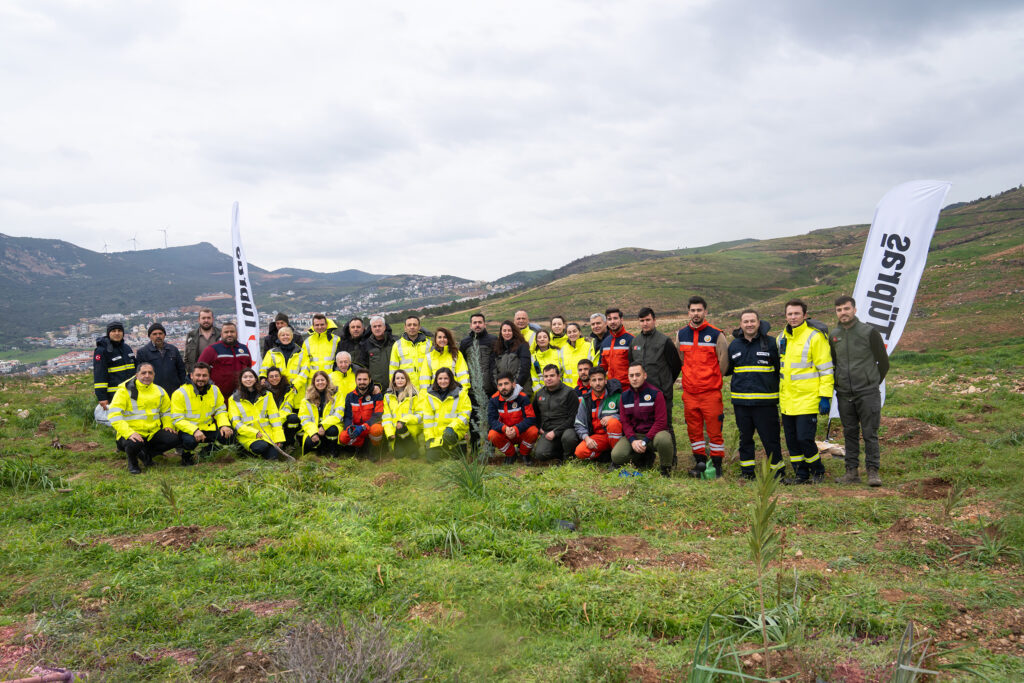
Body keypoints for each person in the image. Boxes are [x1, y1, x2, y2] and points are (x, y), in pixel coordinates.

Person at [830, 295, 890, 487]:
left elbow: (883, 362)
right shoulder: (834, 335)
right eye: (839, 310)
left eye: (846, 309)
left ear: (854, 310)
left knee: (870, 432)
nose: (843, 313)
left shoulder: (869, 332)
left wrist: (871, 382)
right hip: (844, 393)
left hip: (867, 392)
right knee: (849, 432)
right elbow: (833, 362)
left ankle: (873, 472)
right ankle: (851, 472)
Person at [778, 299, 834, 484]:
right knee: (792, 442)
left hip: (808, 400)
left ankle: (818, 471)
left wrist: (825, 397)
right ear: (785, 316)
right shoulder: (781, 338)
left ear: (804, 315)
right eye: (790, 314)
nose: (793, 317)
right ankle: (801, 475)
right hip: (787, 401)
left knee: (804, 439)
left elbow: (826, 370)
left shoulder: (815, 337)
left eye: (796, 313)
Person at [725, 310, 783, 480]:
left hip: (765, 404)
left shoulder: (771, 344)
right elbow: (727, 370)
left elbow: (780, 370)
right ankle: (747, 473)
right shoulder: (734, 345)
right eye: (745, 321)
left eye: (752, 321)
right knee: (745, 440)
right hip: (741, 404)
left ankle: (777, 473)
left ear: (759, 322)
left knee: (771, 440)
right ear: (741, 324)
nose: (749, 324)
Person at [676, 296, 729, 478]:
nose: (696, 313)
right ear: (688, 312)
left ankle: (716, 466)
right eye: (693, 310)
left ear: (705, 312)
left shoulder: (716, 334)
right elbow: (681, 359)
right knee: (694, 429)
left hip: (710, 393)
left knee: (714, 431)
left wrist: (711, 380)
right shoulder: (681, 334)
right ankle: (699, 463)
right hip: (690, 393)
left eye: (699, 310)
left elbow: (723, 362)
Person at [629, 307, 682, 458]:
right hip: (641, 394)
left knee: (666, 426)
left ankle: (671, 459)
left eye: (647, 320)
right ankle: (647, 457)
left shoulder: (664, 341)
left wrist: (665, 384)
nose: (645, 323)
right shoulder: (635, 342)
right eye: (642, 321)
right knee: (644, 426)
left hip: (662, 393)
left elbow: (676, 366)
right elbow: (631, 364)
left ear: (654, 320)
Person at [108, 362, 179, 474]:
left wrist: (168, 425)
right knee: (134, 443)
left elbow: (166, 411)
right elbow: (114, 414)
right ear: (137, 375)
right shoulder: (124, 391)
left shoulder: (160, 391)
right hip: (130, 434)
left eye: (150, 373)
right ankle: (133, 462)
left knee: (174, 438)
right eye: (143, 373)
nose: (147, 375)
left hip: (151, 433)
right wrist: (129, 433)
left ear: (154, 375)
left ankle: (146, 455)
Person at [613, 363, 674, 476]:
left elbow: (661, 422)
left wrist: (645, 440)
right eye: (631, 376)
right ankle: (643, 457)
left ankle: (666, 468)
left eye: (638, 375)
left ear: (645, 375)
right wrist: (632, 440)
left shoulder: (656, 393)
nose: (634, 379)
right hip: (636, 435)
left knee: (664, 439)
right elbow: (625, 422)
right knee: (616, 456)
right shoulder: (625, 396)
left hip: (654, 435)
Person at [171, 362, 233, 466]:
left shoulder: (215, 390)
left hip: (208, 427)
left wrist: (224, 425)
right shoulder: (180, 393)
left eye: (204, 375)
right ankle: (186, 456)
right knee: (190, 442)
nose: (201, 378)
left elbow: (220, 410)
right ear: (191, 376)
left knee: (231, 435)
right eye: (198, 375)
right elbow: (177, 419)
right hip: (188, 430)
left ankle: (205, 452)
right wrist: (194, 430)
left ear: (209, 376)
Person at [228, 367, 286, 460]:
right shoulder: (233, 399)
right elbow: (236, 423)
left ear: (256, 379)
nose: (248, 379)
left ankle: (257, 453)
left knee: (274, 458)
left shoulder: (267, 394)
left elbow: (275, 418)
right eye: (245, 377)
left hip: (267, 434)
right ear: (241, 380)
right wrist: (254, 433)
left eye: (251, 376)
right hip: (247, 435)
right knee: (261, 447)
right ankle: (243, 450)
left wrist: (278, 438)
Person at [531, 364, 581, 463]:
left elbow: (573, 418)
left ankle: (568, 458)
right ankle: (560, 454)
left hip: (566, 429)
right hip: (547, 432)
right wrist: (538, 427)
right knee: (540, 454)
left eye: (552, 376)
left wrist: (556, 432)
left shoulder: (569, 393)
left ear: (559, 376)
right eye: (546, 376)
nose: (548, 379)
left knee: (569, 437)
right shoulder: (539, 394)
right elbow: (534, 414)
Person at [420, 367, 472, 462]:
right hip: (437, 435)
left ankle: (458, 447)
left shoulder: (461, 393)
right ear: (436, 380)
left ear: (451, 379)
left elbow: (465, 414)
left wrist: (452, 427)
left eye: (446, 378)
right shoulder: (429, 395)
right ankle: (443, 450)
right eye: (440, 378)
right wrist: (429, 437)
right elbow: (428, 419)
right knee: (431, 460)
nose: (443, 381)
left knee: (455, 456)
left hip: (455, 431)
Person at [487, 371, 538, 463]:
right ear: (497, 386)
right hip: (505, 432)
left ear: (513, 384)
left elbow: (530, 418)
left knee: (533, 431)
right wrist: (504, 428)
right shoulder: (494, 399)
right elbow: (492, 420)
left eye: (506, 384)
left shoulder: (523, 397)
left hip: (520, 432)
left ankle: (524, 454)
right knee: (492, 435)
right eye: (500, 385)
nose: (503, 387)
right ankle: (511, 454)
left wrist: (516, 429)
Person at [573, 367, 623, 461]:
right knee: (580, 452)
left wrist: (613, 417)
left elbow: (627, 417)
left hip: (616, 436)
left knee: (613, 422)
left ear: (605, 380)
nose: (597, 383)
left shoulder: (616, 396)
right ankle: (606, 456)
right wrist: (587, 438)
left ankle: (617, 456)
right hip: (599, 437)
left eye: (600, 379)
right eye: (594, 380)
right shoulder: (586, 400)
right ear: (590, 382)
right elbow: (579, 424)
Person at [197, 322, 253, 402]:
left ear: (236, 333)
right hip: (220, 397)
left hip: (242, 395)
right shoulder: (212, 349)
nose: (229, 334)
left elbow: (249, 368)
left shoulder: (244, 349)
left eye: (232, 332)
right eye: (226, 332)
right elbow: (199, 369)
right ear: (221, 334)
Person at [337, 368, 386, 453]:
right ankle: (360, 447)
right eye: (359, 379)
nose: (362, 382)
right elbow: (348, 416)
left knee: (376, 430)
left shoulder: (376, 395)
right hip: (356, 428)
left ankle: (376, 449)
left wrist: (363, 427)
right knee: (343, 437)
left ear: (370, 380)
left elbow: (377, 415)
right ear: (355, 380)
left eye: (365, 379)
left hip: (370, 426)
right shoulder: (350, 396)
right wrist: (349, 428)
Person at [93, 321, 136, 409]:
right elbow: (99, 375)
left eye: (119, 331)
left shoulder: (127, 348)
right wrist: (102, 397)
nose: (117, 333)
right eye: (114, 331)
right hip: (113, 395)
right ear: (109, 333)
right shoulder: (102, 351)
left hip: (131, 394)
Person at [136, 323, 187, 395]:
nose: (158, 336)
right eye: (154, 334)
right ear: (149, 336)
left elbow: (181, 370)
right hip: (153, 392)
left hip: (174, 390)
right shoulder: (142, 352)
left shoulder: (173, 349)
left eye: (160, 333)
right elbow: (140, 374)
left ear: (164, 335)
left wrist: (183, 386)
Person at [383, 369, 423, 458]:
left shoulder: (414, 395)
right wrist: (390, 433)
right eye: (397, 378)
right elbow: (386, 417)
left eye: (402, 378)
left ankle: (413, 448)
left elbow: (420, 415)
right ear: (394, 380)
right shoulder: (388, 397)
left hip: (410, 429)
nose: (400, 380)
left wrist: (403, 421)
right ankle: (403, 447)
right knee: (399, 456)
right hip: (396, 431)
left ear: (407, 380)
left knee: (414, 456)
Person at [298, 370, 341, 454]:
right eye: (317, 380)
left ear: (327, 381)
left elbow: (338, 414)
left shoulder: (336, 394)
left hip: (329, 426)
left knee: (332, 431)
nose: (320, 382)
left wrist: (323, 426)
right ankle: (319, 448)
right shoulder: (306, 399)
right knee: (309, 442)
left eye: (322, 380)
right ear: (314, 383)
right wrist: (313, 433)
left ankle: (332, 450)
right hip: (314, 428)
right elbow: (304, 420)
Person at [390, 315, 432, 391]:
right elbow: (393, 369)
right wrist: (393, 387)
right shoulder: (397, 345)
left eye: (415, 325)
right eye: (409, 325)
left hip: (426, 388)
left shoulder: (429, 344)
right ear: (405, 328)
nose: (412, 327)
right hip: (405, 389)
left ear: (419, 327)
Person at [460, 313, 497, 398]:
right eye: (475, 322)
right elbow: (462, 364)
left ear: (484, 324)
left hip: (491, 390)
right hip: (472, 391)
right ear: (471, 325)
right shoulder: (465, 342)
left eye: (480, 322)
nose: (477, 325)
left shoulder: (493, 340)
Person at [261, 325, 306, 392]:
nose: (285, 337)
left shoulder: (302, 352)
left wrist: (295, 385)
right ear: (279, 337)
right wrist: (263, 377)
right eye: (283, 335)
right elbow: (265, 368)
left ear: (292, 336)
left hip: (297, 390)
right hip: (277, 390)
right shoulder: (271, 353)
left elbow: (305, 371)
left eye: (287, 335)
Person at [492, 321, 532, 395]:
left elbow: (524, 368)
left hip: (521, 390)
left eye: (509, 330)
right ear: (501, 333)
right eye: (504, 330)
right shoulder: (497, 348)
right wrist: (500, 386)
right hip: (503, 391)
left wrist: (515, 386)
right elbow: (494, 370)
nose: (507, 333)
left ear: (514, 331)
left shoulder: (522, 346)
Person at [265, 366, 301, 445]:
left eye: (276, 376)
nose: (274, 378)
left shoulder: (288, 390)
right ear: (267, 379)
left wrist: (278, 422)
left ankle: (289, 443)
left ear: (280, 377)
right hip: (268, 421)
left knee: (293, 419)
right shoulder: (263, 391)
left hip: (282, 418)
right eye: (271, 376)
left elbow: (287, 409)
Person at [598, 307, 634, 384]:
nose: (612, 321)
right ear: (606, 322)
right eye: (609, 319)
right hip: (611, 387)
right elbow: (602, 367)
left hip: (628, 387)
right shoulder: (605, 342)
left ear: (621, 320)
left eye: (615, 318)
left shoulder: (631, 339)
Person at [360, 316, 396, 390]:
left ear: (384, 327)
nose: (377, 328)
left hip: (395, 385)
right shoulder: (365, 345)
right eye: (374, 326)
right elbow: (364, 367)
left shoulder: (394, 342)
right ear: (371, 328)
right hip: (375, 388)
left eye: (379, 326)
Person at [301, 313, 340, 378]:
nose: (320, 327)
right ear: (313, 326)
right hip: (313, 380)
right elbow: (304, 365)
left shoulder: (336, 340)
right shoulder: (307, 342)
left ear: (326, 325)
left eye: (322, 324)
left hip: (331, 379)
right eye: (317, 325)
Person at [562, 323, 596, 390]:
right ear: (566, 334)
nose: (572, 334)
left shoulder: (589, 346)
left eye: (574, 331)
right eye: (569, 332)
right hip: (568, 390)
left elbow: (594, 366)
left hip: (586, 388)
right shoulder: (563, 350)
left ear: (580, 332)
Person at [184, 308, 220, 373]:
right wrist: (191, 372)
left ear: (213, 319)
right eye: (203, 318)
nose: (206, 320)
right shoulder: (191, 335)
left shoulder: (221, 334)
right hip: (198, 375)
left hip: (217, 373)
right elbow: (187, 358)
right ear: (199, 320)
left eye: (208, 318)